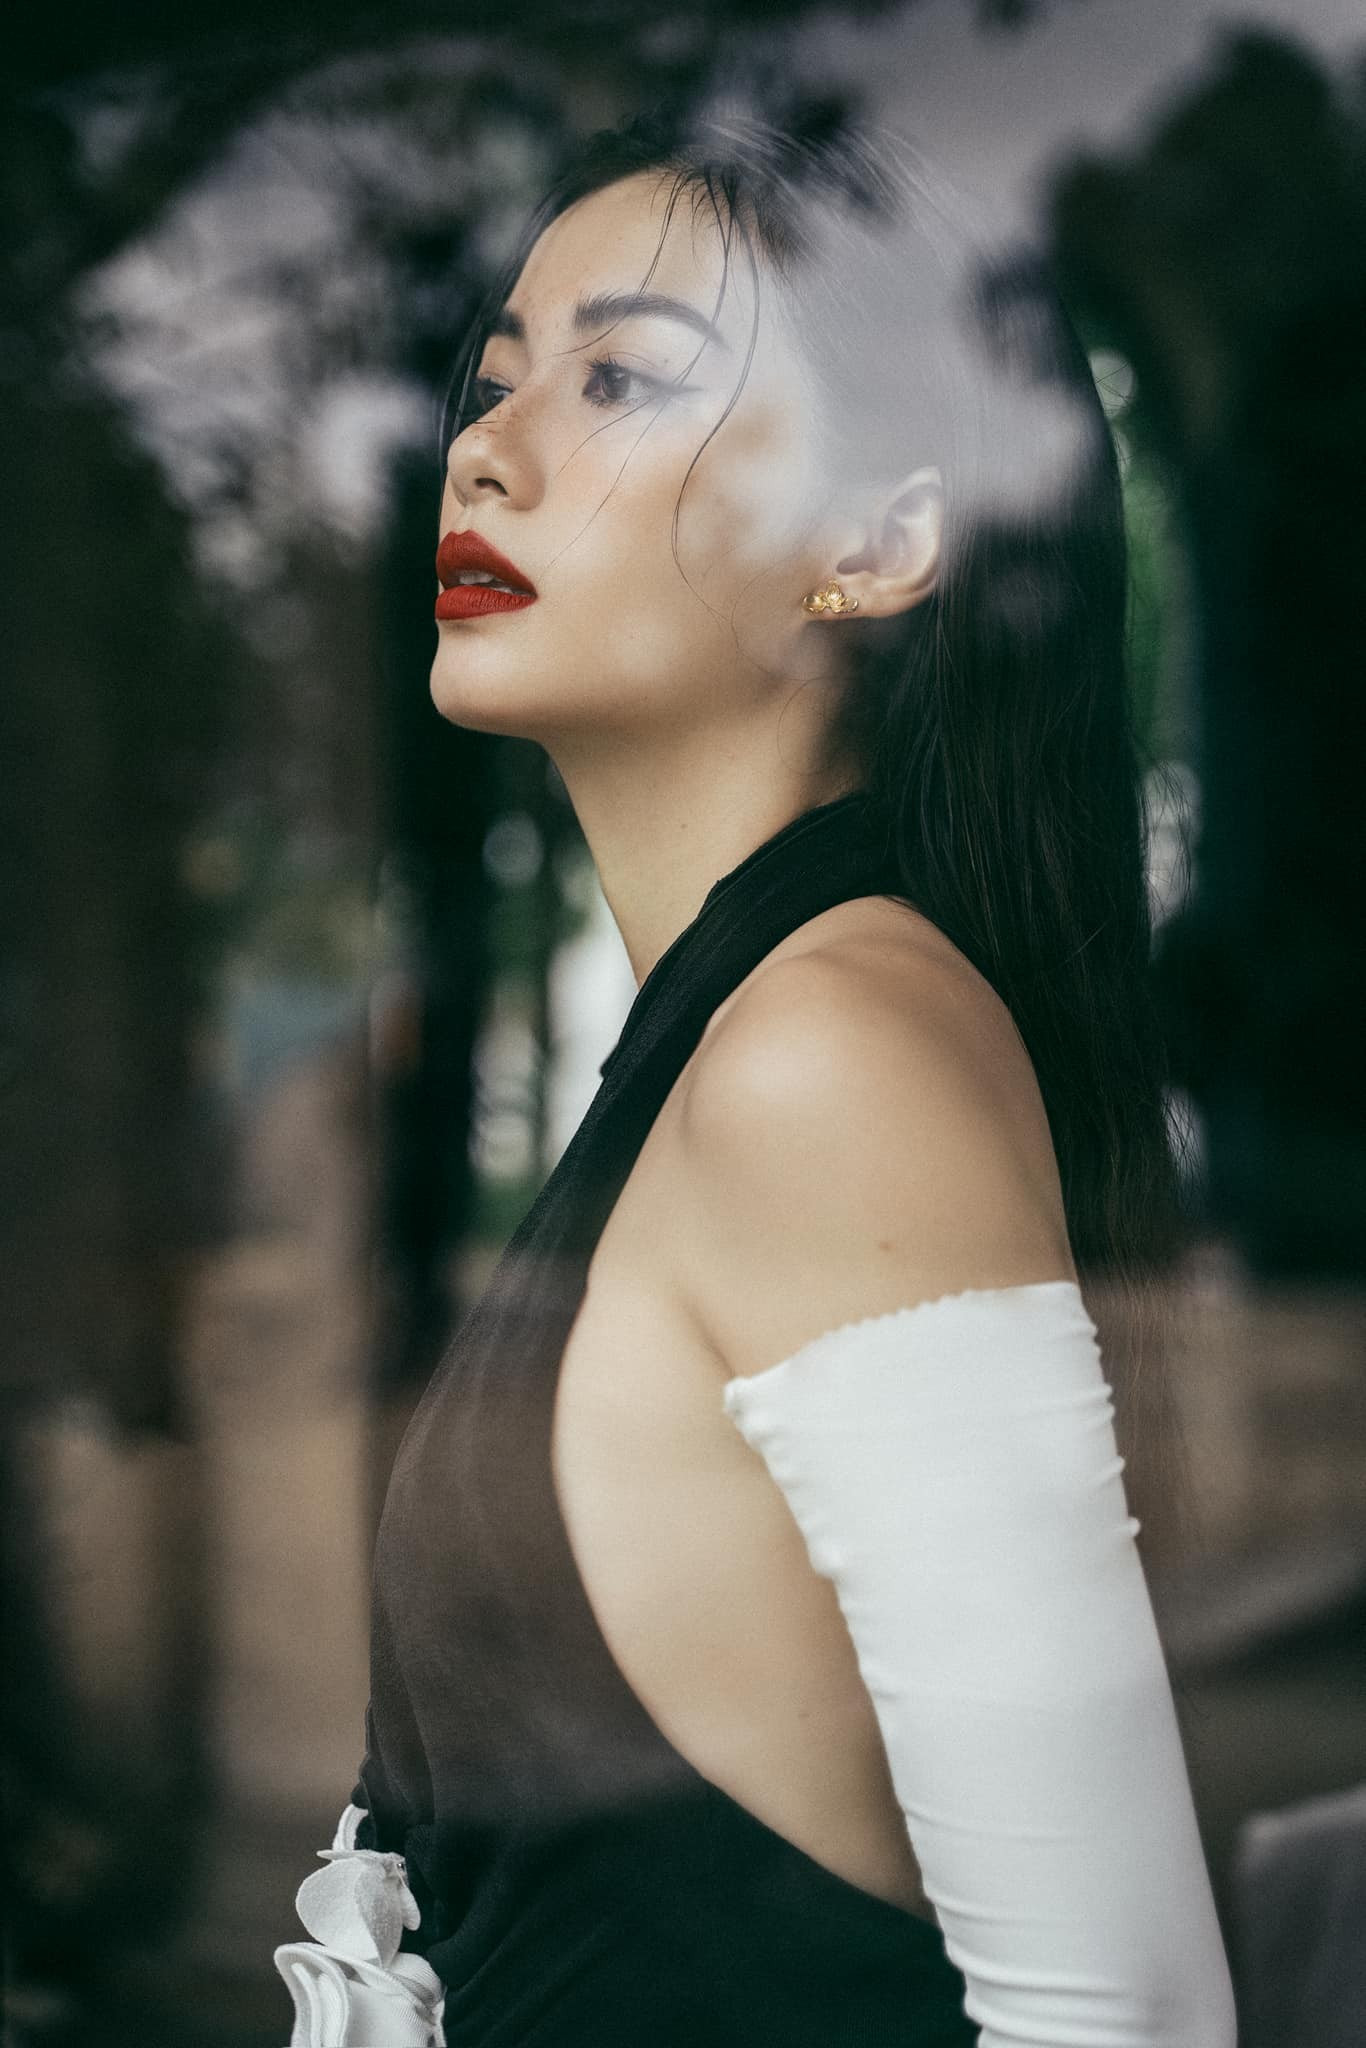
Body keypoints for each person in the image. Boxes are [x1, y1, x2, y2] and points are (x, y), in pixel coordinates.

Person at [275, 104, 1238, 2047]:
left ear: (873, 542)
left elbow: (1115, 2014)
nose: (486, 447)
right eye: (495, 380)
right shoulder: (736, 1037)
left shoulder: (828, 1058)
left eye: (623, 378)